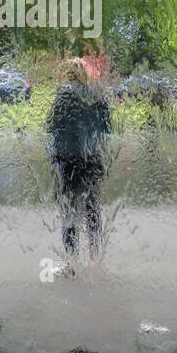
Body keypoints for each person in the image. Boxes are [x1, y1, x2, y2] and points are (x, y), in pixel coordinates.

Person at [47, 59, 111, 267]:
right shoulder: (96, 94)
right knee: (93, 208)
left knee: (69, 211)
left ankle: (72, 263)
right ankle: (95, 258)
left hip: (68, 161)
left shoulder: (64, 94)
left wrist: (53, 159)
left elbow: (52, 126)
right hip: (91, 159)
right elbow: (106, 127)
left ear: (68, 73)